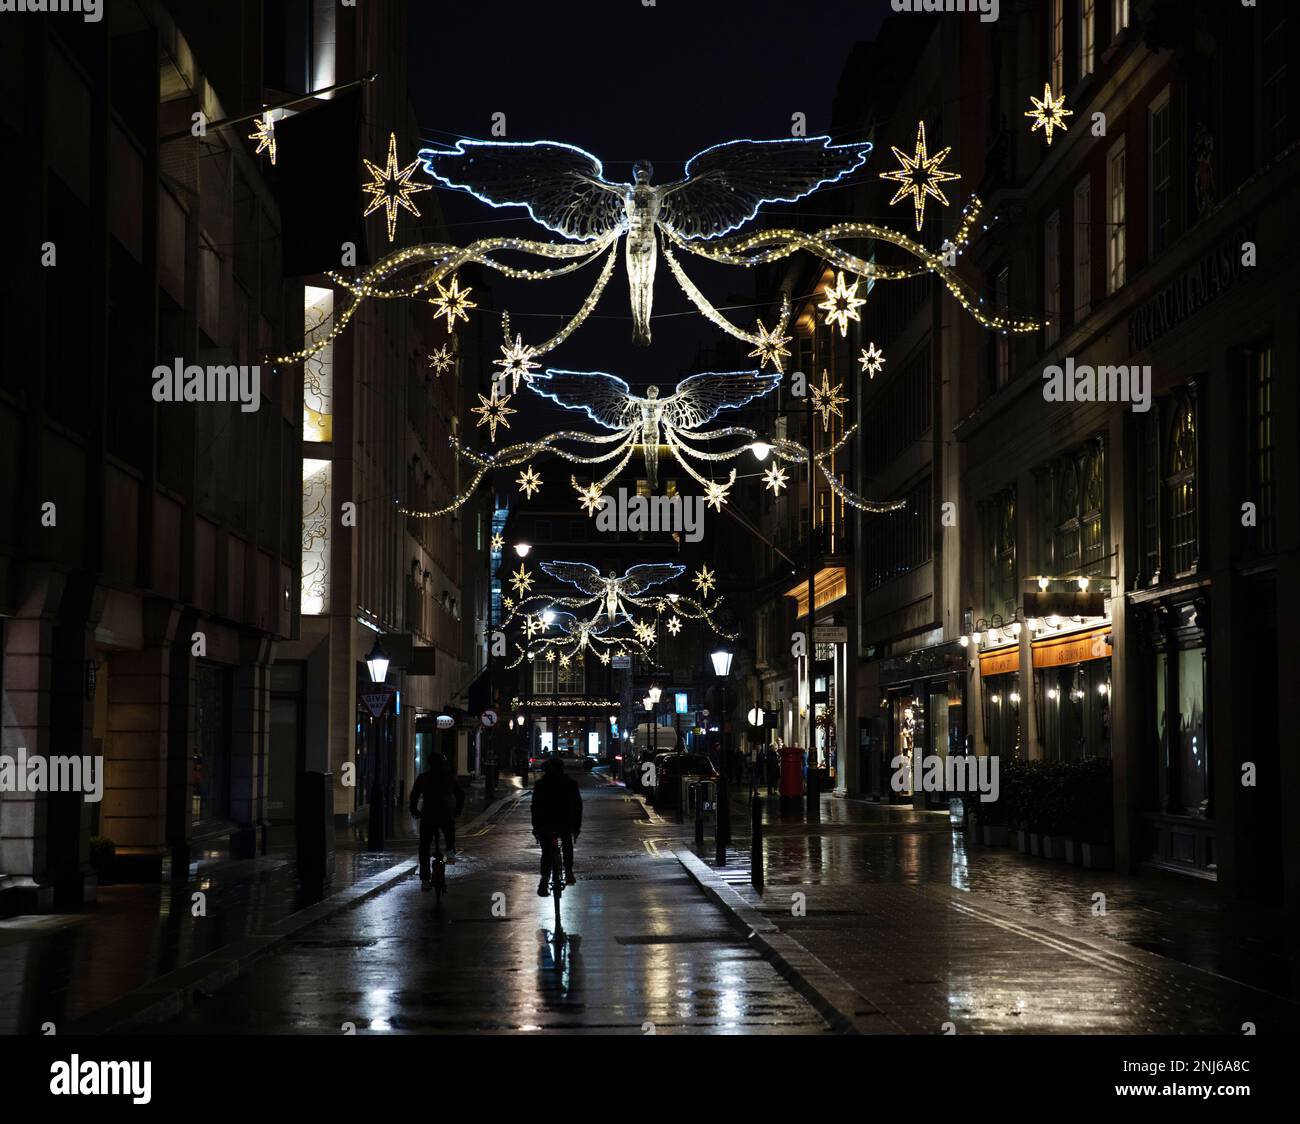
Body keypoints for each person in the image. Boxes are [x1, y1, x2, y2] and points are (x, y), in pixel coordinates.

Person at [409, 750, 465, 892]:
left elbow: (414, 795)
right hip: (445, 814)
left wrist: (414, 810)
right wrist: (458, 810)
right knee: (449, 832)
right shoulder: (449, 777)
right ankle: (450, 852)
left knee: (424, 847)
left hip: (428, 815)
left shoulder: (423, 777)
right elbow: (460, 794)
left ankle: (425, 880)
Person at [530, 756, 582, 896]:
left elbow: (535, 807)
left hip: (545, 824)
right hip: (565, 823)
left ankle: (544, 879)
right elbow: (577, 807)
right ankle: (569, 872)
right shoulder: (570, 783)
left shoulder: (540, 784)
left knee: (546, 851)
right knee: (567, 845)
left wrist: (536, 828)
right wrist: (576, 828)